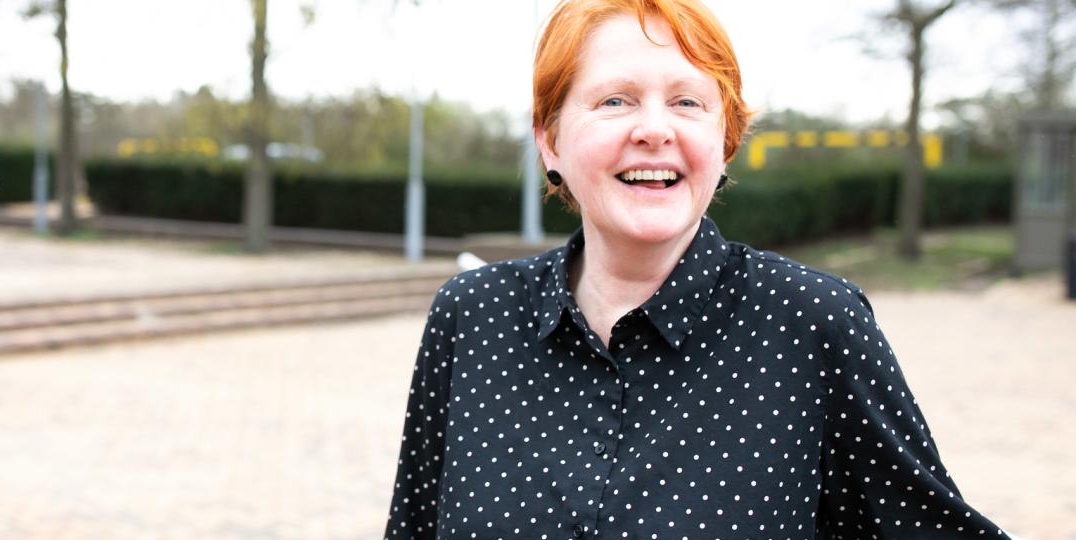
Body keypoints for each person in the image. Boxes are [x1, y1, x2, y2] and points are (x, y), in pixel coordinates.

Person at [382, 0, 1008, 538]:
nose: (654, 130)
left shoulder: (813, 324)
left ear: (725, 139)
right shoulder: (471, 317)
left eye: (687, 101)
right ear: (550, 141)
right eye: (615, 100)